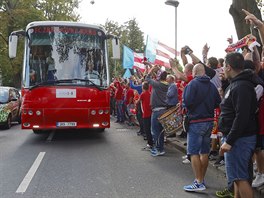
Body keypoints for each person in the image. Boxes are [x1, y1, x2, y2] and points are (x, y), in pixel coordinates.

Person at [218, 52, 258, 198]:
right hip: (236, 138)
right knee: (237, 177)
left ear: (228, 67)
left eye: (223, 66)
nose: (222, 68)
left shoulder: (241, 86)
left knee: (240, 178)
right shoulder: (236, 84)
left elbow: (242, 116)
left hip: (239, 140)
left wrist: (229, 141)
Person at [182, 63, 221, 192]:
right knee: (204, 152)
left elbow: (186, 102)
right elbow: (217, 103)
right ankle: (201, 179)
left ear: (194, 72)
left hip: (196, 121)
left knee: (193, 152)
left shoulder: (192, 84)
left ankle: (198, 182)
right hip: (209, 121)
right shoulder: (211, 85)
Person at [145, 64, 169, 157]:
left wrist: (151, 69)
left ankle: (159, 149)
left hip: (157, 110)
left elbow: (147, 78)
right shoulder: (167, 84)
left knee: (155, 131)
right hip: (164, 110)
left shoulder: (157, 84)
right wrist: (158, 69)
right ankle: (161, 148)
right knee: (161, 131)